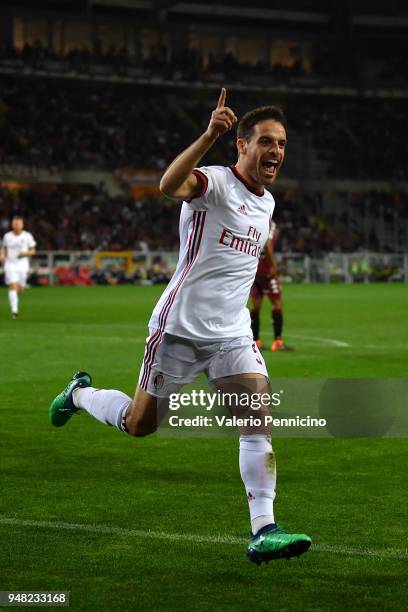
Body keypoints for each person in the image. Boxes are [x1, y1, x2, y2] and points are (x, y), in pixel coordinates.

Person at [49, 88, 311, 563]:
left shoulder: (268, 204)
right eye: (267, 141)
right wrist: (209, 132)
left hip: (231, 335)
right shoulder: (213, 183)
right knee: (139, 424)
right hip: (180, 329)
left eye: (282, 143)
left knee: (257, 423)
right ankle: (79, 394)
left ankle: (264, 529)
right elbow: (169, 185)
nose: (276, 151)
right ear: (243, 145)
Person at [250, 222, 294, 352]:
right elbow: (268, 245)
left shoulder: (253, 221)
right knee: (277, 304)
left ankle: (256, 341)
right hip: (268, 273)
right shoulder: (270, 225)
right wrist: (273, 266)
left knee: (256, 307)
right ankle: (277, 341)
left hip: (255, 271)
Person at [0, 216, 36, 319]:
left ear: (22, 225)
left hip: (23, 265)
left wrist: (25, 253)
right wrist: (2, 255)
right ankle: (14, 312)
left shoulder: (27, 236)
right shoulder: (7, 236)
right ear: (12, 224)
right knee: (12, 286)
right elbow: (4, 248)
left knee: (20, 289)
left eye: (18, 224)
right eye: (15, 223)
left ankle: (16, 295)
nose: (16, 225)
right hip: (10, 264)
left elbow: (33, 251)